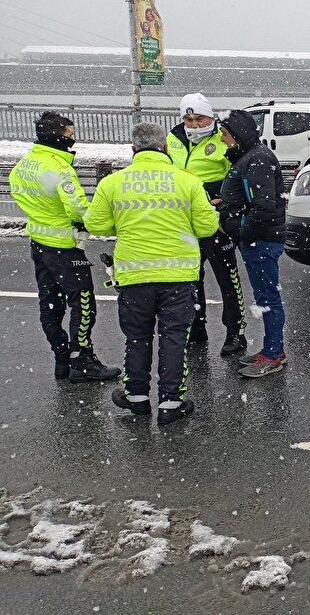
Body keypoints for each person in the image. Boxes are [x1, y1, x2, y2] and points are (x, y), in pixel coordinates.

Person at [85, 123, 219, 424]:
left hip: (134, 276)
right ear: (166, 148)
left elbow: (97, 225)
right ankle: (171, 403)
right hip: (178, 276)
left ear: (133, 150)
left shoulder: (114, 183)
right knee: (174, 338)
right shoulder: (187, 181)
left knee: (137, 337)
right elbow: (207, 227)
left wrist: (124, 224)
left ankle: (137, 398)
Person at [7, 111, 120, 382]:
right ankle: (82, 360)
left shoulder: (24, 164)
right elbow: (79, 208)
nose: (73, 140)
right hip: (66, 247)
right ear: (58, 136)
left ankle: (61, 359)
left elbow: (19, 194)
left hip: (40, 245)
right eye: (70, 134)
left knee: (50, 304)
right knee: (83, 304)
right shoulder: (59, 169)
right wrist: (106, 220)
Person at [166, 92, 248, 356]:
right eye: (189, 120)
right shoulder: (173, 138)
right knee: (191, 277)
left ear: (210, 116)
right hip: (184, 220)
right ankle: (196, 326)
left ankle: (235, 332)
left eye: (199, 118)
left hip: (215, 219)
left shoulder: (222, 138)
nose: (194, 125)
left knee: (227, 278)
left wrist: (225, 201)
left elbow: (238, 173)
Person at [217, 110, 288, 378]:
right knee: (265, 297)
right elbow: (251, 199)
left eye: (225, 134)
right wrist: (227, 203)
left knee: (268, 298)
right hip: (258, 239)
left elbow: (264, 207)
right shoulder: (251, 156)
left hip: (261, 241)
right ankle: (272, 350)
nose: (223, 140)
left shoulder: (256, 158)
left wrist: (239, 231)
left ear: (237, 134)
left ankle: (272, 355)